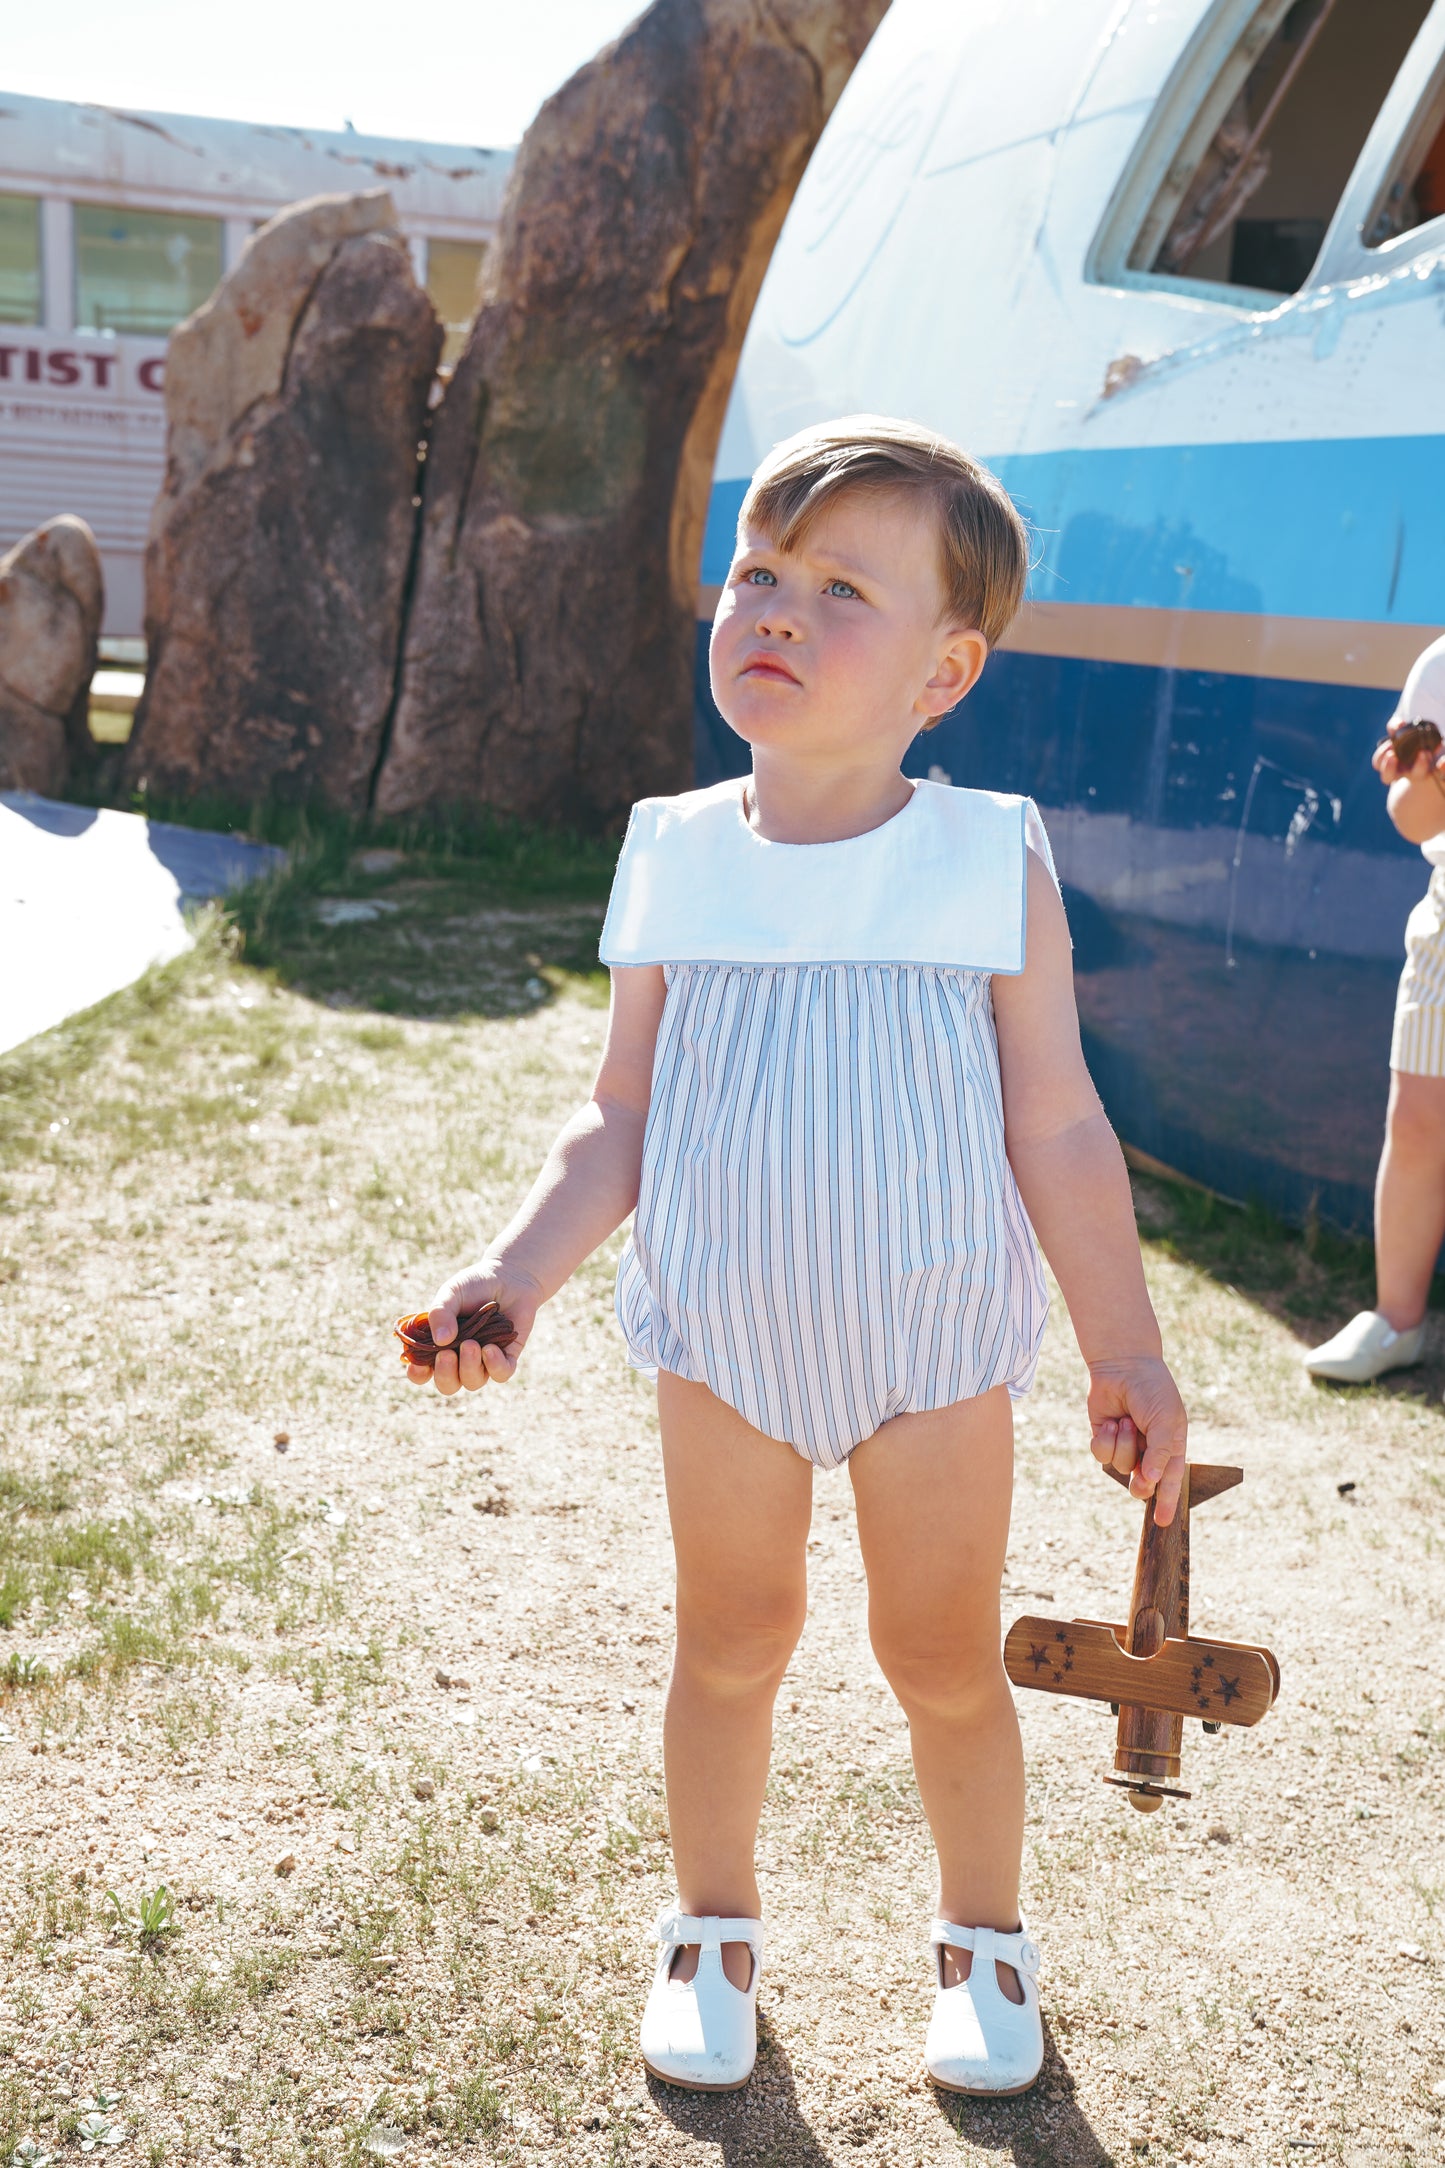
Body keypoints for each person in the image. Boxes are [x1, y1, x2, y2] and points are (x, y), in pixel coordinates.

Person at [406, 417, 1188, 2098]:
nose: (777, 603)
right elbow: (617, 1115)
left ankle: (985, 1941)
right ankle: (709, 1925)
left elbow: (1056, 1124)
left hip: (931, 1344)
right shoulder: (672, 848)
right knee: (733, 1638)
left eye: (842, 585)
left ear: (946, 667)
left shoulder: (995, 858)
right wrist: (514, 1275)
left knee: (938, 1658)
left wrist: (1128, 1347)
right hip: (726, 1336)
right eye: (760, 567)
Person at [1306, 634, 1445, 1383]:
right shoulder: (1439, 665)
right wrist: (1425, 776)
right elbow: (1411, 819)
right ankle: (1396, 1323)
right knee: (1416, 1118)